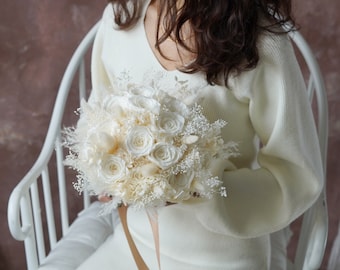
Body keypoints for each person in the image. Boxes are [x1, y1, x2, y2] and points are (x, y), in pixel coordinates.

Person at [76, 0, 323, 269]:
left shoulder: (259, 39)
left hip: (223, 255)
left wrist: (198, 188)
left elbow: (297, 175)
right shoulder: (120, 19)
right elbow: (98, 123)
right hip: (134, 242)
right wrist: (107, 176)